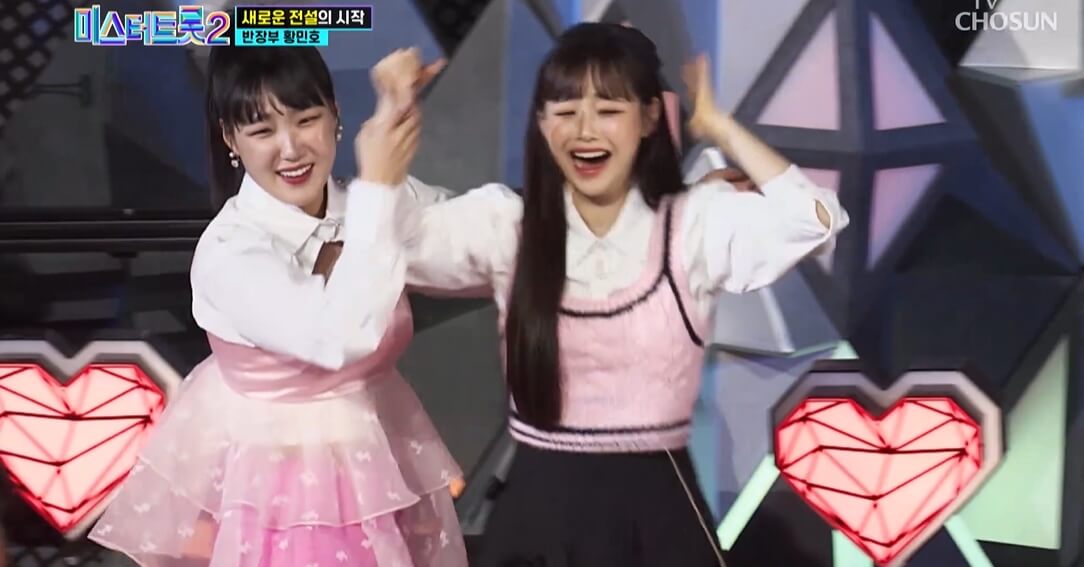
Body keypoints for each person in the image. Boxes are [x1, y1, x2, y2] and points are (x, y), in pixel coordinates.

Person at [383, 23, 850, 566]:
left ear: (649, 118)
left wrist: (719, 125)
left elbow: (814, 219)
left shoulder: (693, 225)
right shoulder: (508, 224)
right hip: (540, 508)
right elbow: (393, 244)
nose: (585, 131)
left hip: (656, 508)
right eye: (565, 111)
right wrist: (392, 116)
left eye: (608, 110)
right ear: (541, 122)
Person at [88, 46, 468, 567]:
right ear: (230, 138)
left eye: (306, 120)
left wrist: (394, 115)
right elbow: (332, 335)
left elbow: (467, 238)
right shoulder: (230, 251)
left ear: (336, 116)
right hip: (278, 491)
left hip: (378, 462)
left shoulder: (368, 205)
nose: (290, 149)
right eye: (262, 130)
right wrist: (379, 189)